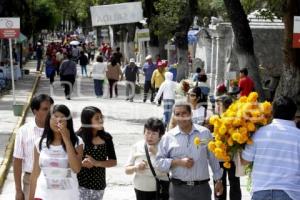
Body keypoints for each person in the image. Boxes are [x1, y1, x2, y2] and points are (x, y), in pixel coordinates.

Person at [155, 102, 223, 200]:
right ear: (174, 117)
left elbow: (213, 158)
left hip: (201, 190)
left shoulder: (204, 133)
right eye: (177, 114)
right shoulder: (168, 137)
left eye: (184, 113)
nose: (181, 117)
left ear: (191, 114)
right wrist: (178, 162)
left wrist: (218, 180)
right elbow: (158, 163)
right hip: (178, 190)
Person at [241, 96, 300, 200]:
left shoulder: (259, 133)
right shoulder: (298, 136)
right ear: (294, 114)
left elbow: (245, 160)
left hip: (261, 191)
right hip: (290, 193)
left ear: (272, 112)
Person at [29, 104, 83, 200]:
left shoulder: (77, 142)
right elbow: (35, 174)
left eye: (62, 117)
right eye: (55, 117)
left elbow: (76, 169)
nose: (58, 120)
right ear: (49, 120)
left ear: (68, 122)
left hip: (68, 196)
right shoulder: (40, 143)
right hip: (43, 195)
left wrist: (67, 139)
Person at [13, 94, 54, 200]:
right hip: (30, 181)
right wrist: (18, 190)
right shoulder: (23, 131)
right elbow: (17, 161)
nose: (50, 112)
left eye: (51, 109)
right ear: (35, 111)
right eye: (45, 109)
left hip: (54, 180)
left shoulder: (58, 131)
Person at [77, 106, 117, 200]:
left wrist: (96, 163)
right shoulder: (77, 137)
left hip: (98, 187)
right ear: (88, 120)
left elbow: (113, 161)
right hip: (79, 185)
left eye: (101, 117)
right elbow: (68, 161)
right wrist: (81, 164)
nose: (101, 120)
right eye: (97, 118)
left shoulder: (106, 138)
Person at [125, 118, 169, 200]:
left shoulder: (166, 147)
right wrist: (136, 168)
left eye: (154, 134)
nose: (150, 136)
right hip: (141, 189)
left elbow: (171, 168)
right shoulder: (137, 146)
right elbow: (127, 170)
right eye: (147, 132)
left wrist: (157, 153)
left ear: (161, 135)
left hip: (161, 189)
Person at [215, 95, 241, 200]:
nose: (216, 107)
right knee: (220, 182)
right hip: (219, 156)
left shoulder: (234, 120)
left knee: (233, 183)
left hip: (231, 156)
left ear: (225, 106)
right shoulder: (216, 118)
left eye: (218, 104)